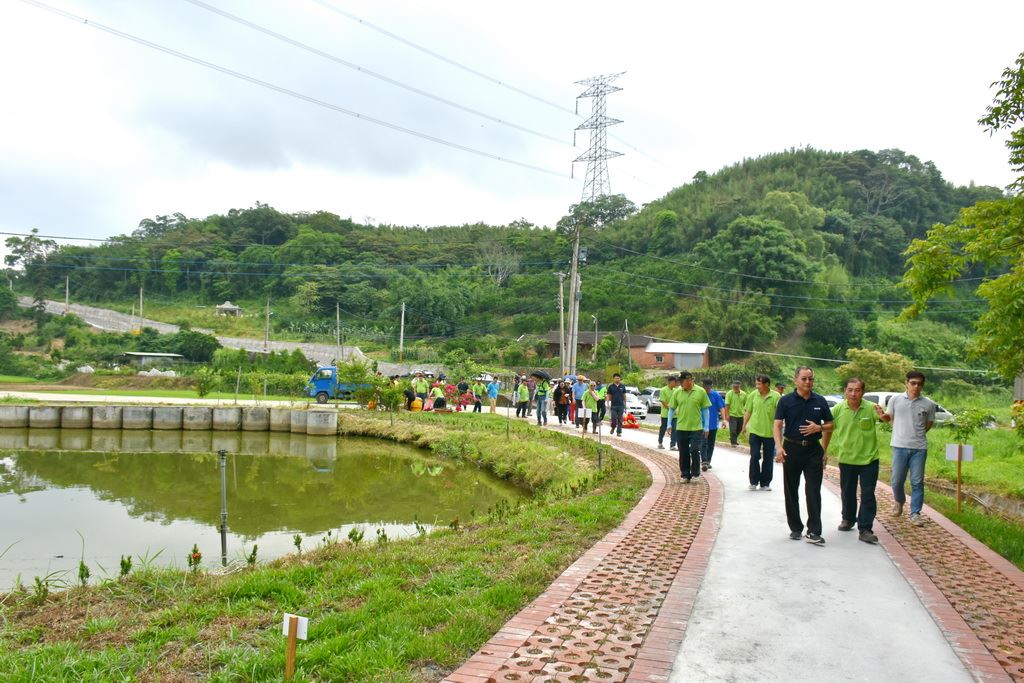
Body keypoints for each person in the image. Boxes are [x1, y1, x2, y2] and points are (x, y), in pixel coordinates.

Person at [823, 377, 891, 544]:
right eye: (850, 390)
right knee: (847, 492)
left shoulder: (871, 408)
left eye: (857, 390)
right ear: (845, 391)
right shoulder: (837, 410)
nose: (853, 394)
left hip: (869, 459)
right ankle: (848, 518)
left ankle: (865, 528)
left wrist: (884, 416)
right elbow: (828, 430)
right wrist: (823, 451)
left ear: (863, 392)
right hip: (846, 458)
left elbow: (887, 420)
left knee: (868, 494)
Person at [773, 366, 834, 545]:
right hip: (791, 448)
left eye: (811, 379)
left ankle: (814, 531)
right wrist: (778, 448)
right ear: (796, 380)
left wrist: (819, 428)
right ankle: (795, 528)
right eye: (804, 379)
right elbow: (777, 425)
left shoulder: (820, 401)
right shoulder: (785, 401)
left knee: (813, 489)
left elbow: (831, 425)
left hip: (813, 451)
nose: (808, 382)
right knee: (791, 489)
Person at [888, 371, 937, 525]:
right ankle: (899, 501)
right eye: (913, 383)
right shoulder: (895, 400)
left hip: (919, 448)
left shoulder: (928, 404)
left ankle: (915, 513)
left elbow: (928, 425)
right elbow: (890, 419)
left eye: (919, 384)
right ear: (906, 382)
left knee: (917, 482)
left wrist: (915, 434)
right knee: (896, 481)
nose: (916, 386)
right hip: (899, 446)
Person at [742, 375, 780, 491]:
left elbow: (780, 414)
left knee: (768, 459)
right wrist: (744, 425)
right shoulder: (753, 395)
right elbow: (748, 411)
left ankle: (765, 483)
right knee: (754, 456)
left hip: (770, 433)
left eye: (759, 384)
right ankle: (753, 481)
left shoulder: (776, 396)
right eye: (756, 384)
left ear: (767, 384)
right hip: (755, 431)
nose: (757, 386)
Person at [673, 372, 711, 483]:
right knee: (683, 452)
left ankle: (695, 474)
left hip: (696, 427)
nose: (680, 383)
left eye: (682, 381)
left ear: (689, 380)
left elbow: (705, 409)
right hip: (681, 427)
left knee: (695, 450)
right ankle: (685, 475)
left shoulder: (701, 391)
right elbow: (671, 408)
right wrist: (669, 424)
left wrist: (707, 426)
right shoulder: (677, 392)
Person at [701, 378, 726, 470]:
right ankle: (704, 461)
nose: (707, 389)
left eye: (708, 387)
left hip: (713, 424)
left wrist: (724, 419)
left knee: (710, 444)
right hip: (701, 424)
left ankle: (708, 461)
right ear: (702, 386)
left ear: (711, 386)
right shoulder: (700, 394)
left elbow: (722, 407)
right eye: (705, 387)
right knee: (703, 443)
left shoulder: (715, 395)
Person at [657, 376, 679, 449]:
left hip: (675, 415)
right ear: (669, 382)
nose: (675, 383)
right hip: (665, 414)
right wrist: (671, 408)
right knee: (663, 428)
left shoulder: (676, 390)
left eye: (676, 382)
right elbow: (663, 401)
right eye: (674, 382)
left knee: (674, 429)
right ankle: (660, 442)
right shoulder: (663, 390)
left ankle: (672, 445)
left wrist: (675, 410)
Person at [724, 380, 746, 447]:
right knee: (733, 430)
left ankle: (733, 438)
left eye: (737, 386)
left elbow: (746, 404)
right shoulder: (729, 394)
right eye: (734, 386)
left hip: (741, 415)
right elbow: (727, 405)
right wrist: (727, 415)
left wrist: (745, 413)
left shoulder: (744, 394)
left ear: (739, 386)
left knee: (739, 429)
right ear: (732, 386)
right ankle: (733, 443)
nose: (735, 388)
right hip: (732, 415)